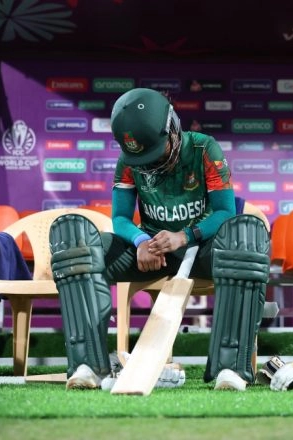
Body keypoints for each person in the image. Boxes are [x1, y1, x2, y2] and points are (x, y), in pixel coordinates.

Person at [48, 88, 271, 391]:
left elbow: (225, 213)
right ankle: (89, 365)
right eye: (142, 158)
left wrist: (184, 236)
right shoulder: (130, 159)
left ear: (174, 129)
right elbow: (121, 219)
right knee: (80, 245)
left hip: (198, 248)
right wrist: (140, 241)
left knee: (246, 238)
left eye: (156, 153)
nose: (149, 165)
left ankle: (231, 370)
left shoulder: (205, 149)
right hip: (150, 251)